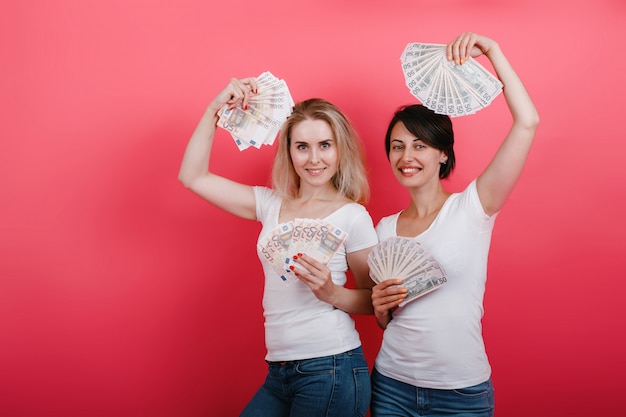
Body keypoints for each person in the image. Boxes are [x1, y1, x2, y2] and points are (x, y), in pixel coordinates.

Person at [178, 77, 379, 417]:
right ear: (289, 150)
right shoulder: (269, 204)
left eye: (324, 145)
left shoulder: (353, 216)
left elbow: (373, 301)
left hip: (330, 368)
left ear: (340, 149)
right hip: (279, 371)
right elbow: (192, 176)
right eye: (302, 146)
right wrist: (214, 110)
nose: (314, 158)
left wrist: (331, 292)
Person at [369, 32, 540, 417]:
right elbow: (387, 318)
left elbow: (527, 122)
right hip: (391, 386)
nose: (406, 156)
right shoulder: (383, 229)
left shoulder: (473, 208)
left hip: (460, 394)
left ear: (443, 154)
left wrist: (493, 51)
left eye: (420, 145)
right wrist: (380, 309)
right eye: (397, 146)